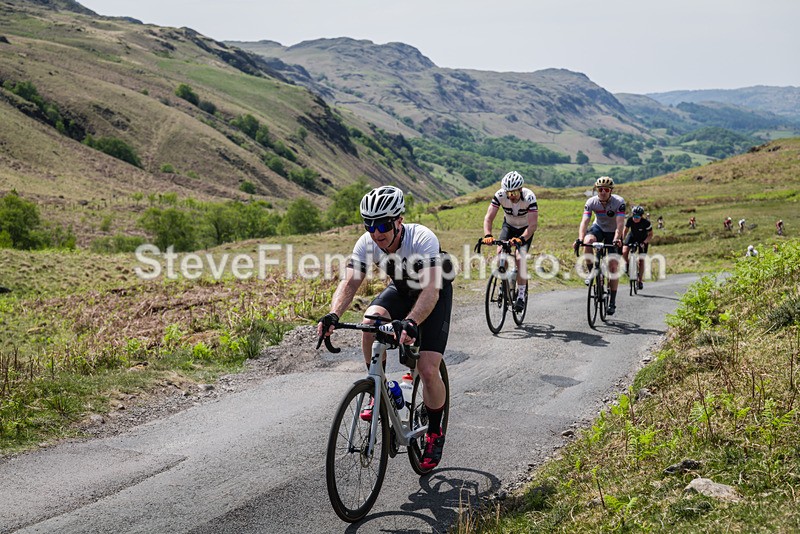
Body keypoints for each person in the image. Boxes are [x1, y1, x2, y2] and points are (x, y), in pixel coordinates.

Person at [317, 185, 452, 470]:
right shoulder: (366, 242)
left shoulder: (422, 238)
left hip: (432, 292)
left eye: (382, 225)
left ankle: (435, 431)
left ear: (398, 221)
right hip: (403, 289)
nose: (376, 232)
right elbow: (351, 282)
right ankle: (378, 385)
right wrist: (332, 314)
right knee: (369, 324)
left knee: (427, 369)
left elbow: (430, 290)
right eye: (369, 225)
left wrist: (413, 322)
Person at [481, 171, 539, 312]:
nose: (512, 196)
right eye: (509, 193)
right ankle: (503, 282)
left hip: (525, 230)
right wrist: (488, 234)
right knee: (500, 252)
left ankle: (520, 296)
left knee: (520, 258)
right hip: (509, 226)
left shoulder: (529, 197)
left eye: (515, 193)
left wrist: (521, 239)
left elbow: (533, 226)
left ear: (520, 190)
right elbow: (488, 218)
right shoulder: (500, 195)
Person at [575, 176, 626, 315]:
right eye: (600, 189)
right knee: (588, 240)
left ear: (610, 191)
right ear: (596, 190)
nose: (603, 192)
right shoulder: (591, 202)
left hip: (614, 231)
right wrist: (580, 239)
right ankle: (593, 271)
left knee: (613, 267)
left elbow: (620, 224)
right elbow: (585, 222)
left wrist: (617, 238)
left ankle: (612, 302)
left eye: (606, 189)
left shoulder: (619, 202)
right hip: (599, 228)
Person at [622, 205, 653, 290]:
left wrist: (644, 242)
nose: (635, 218)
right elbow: (625, 231)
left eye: (637, 217)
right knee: (624, 251)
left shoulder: (646, 223)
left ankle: (639, 280)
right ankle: (627, 265)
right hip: (632, 237)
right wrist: (622, 240)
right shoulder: (629, 220)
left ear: (641, 216)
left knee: (641, 260)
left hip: (643, 239)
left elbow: (650, 235)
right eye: (634, 216)